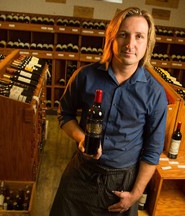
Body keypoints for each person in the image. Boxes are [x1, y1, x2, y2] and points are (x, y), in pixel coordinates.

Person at [49, 7, 168, 216]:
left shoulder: (155, 93)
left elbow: (153, 150)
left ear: (147, 43)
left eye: (139, 37)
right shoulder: (85, 76)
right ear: (112, 38)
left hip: (121, 184)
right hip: (81, 174)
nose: (130, 44)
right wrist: (80, 137)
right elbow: (64, 113)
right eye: (123, 34)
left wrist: (136, 194)